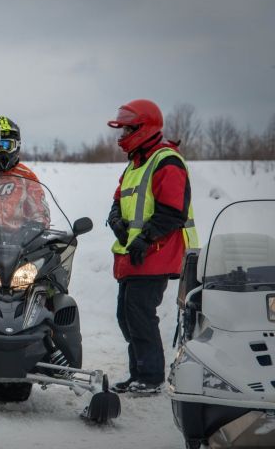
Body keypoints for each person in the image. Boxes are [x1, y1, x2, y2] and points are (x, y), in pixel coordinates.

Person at [106, 99, 198, 395]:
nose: (121, 137)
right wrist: (115, 219)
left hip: (155, 254)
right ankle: (139, 373)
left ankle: (151, 376)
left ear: (143, 129)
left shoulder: (167, 161)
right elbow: (118, 198)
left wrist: (147, 239)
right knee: (126, 315)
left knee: (140, 313)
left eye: (126, 130)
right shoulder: (135, 163)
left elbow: (173, 211)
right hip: (133, 254)